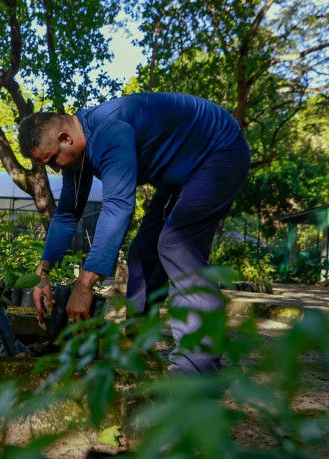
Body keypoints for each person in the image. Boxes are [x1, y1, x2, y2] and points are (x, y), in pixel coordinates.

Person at [18, 92, 251, 375]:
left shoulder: (108, 131)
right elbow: (67, 214)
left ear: (65, 138)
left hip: (219, 153)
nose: (56, 168)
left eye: (53, 159)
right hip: (180, 174)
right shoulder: (78, 153)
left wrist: (84, 286)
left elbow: (118, 205)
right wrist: (42, 273)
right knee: (143, 252)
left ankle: (198, 369)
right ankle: (138, 344)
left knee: (176, 244)